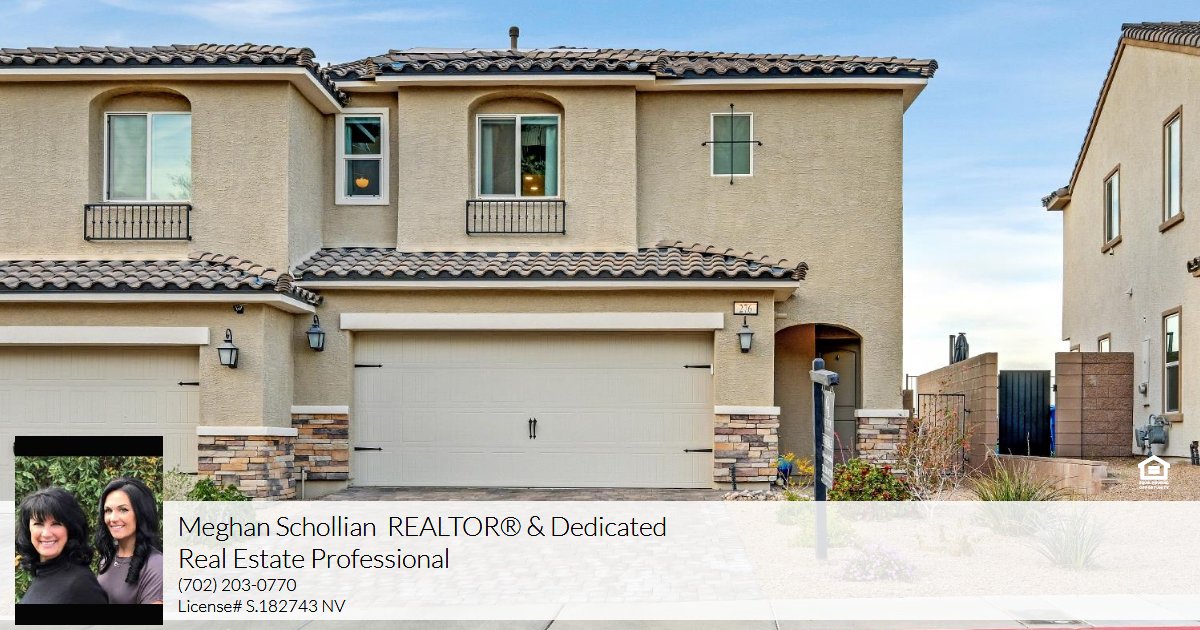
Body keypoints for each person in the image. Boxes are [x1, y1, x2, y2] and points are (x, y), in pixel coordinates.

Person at [15, 487, 108, 604]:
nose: (46, 534)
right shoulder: (43, 572)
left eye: (56, 524)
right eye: (38, 524)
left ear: (70, 528)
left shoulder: (81, 584)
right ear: (28, 529)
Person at [95, 477, 164, 604]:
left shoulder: (156, 565)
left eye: (123, 510)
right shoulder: (107, 558)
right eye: (108, 510)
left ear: (141, 513)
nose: (113, 518)